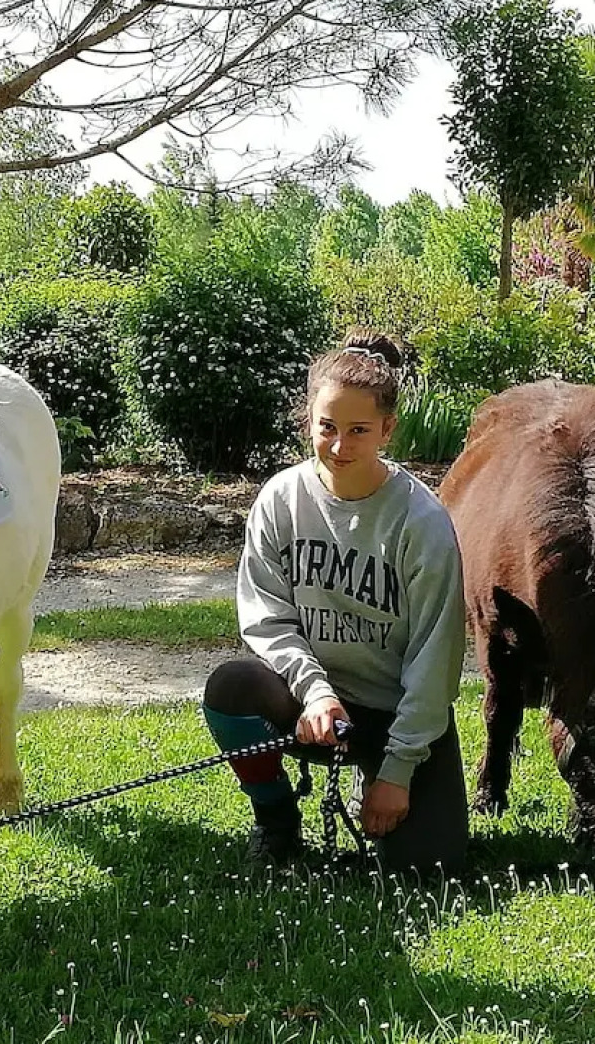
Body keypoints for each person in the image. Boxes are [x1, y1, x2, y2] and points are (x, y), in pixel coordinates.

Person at [201, 333, 469, 875]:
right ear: (309, 420)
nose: (340, 446)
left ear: (388, 430)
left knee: (428, 871)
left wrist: (397, 771)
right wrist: (315, 692)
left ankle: (377, 775)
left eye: (359, 431)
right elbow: (266, 615)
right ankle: (276, 822)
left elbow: (435, 659)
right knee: (231, 687)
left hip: (397, 714)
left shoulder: (422, 521)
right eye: (327, 427)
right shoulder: (281, 499)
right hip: (314, 706)